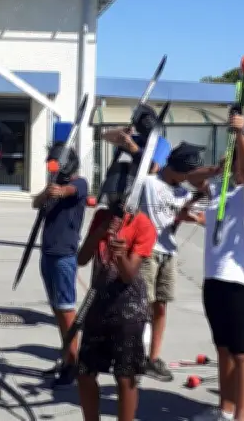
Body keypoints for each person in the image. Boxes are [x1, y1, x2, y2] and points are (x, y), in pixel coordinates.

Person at [191, 113, 244, 421]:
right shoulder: (220, 192)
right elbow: (192, 179)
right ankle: (224, 410)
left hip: (239, 281)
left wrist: (240, 134)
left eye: (236, 158)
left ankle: (242, 416)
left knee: (241, 352)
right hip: (213, 278)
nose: (234, 163)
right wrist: (215, 168)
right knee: (222, 348)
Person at [75, 162, 157, 421]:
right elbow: (82, 258)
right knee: (85, 372)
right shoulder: (101, 217)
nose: (114, 202)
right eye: (111, 196)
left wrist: (121, 255)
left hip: (128, 306)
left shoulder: (143, 225)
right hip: (99, 301)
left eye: (119, 197)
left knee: (125, 376)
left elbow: (129, 273)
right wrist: (100, 231)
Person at [138, 142, 206, 382]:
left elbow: (195, 215)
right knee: (141, 305)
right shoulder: (148, 183)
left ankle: (153, 358)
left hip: (169, 252)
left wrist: (193, 214)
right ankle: (134, 354)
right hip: (147, 251)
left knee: (161, 305)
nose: (188, 179)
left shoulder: (184, 193)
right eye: (186, 173)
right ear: (176, 168)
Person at [31, 142, 88, 386]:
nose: (52, 167)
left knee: (66, 309)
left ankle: (73, 362)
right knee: (56, 307)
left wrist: (57, 189)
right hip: (48, 252)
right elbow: (36, 202)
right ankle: (65, 356)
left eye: (55, 163)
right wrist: (46, 191)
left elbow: (68, 192)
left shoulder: (79, 184)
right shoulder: (53, 185)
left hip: (65, 254)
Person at [101, 104, 172, 175]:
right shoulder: (138, 140)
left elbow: (153, 169)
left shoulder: (162, 143)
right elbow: (105, 136)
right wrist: (123, 130)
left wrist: (134, 149)